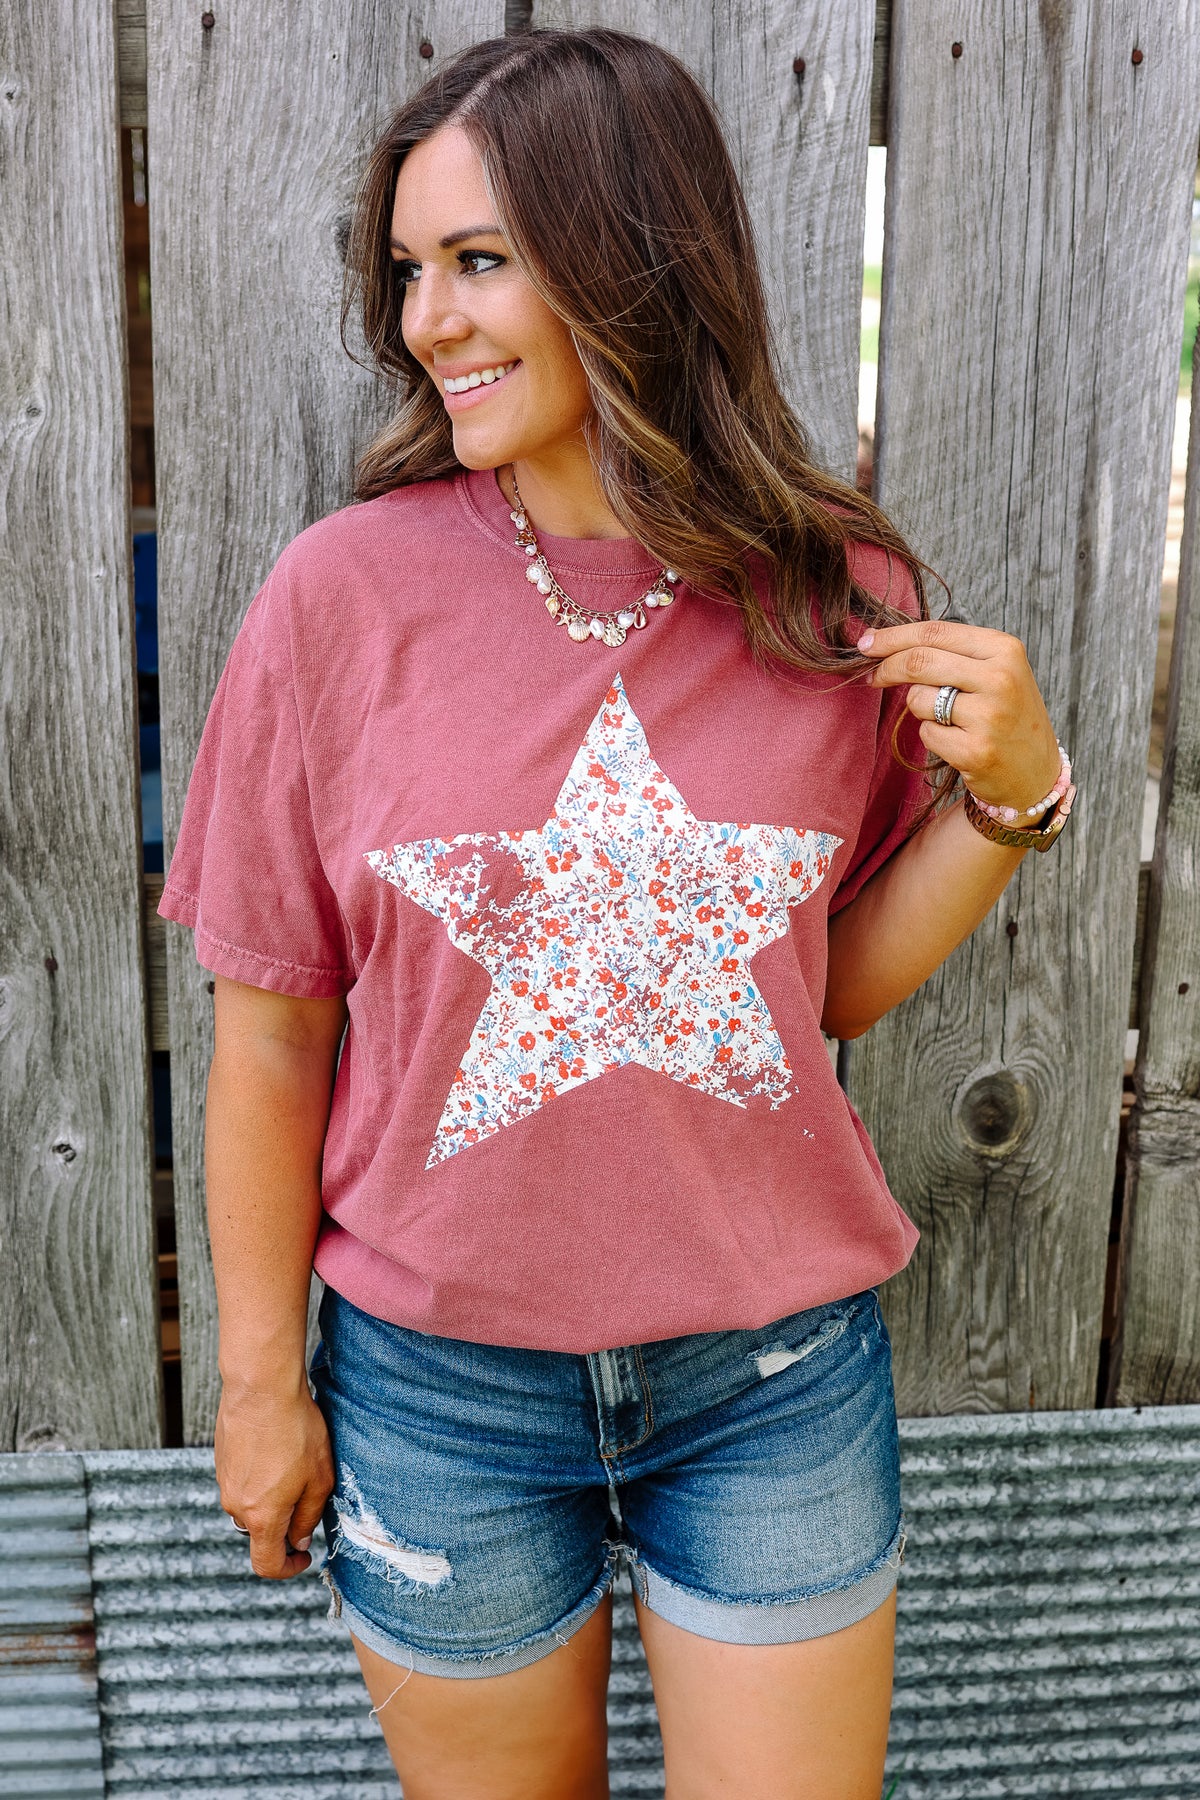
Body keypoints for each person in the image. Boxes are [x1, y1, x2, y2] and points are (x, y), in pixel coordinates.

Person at [158, 27, 1074, 1800]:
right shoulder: (340, 600)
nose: (430, 321)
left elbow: (819, 995)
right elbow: (269, 1035)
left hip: (772, 1380)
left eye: (479, 261)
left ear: (633, 261)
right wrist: (260, 1385)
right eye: (410, 271)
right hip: (439, 1399)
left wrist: (1009, 805)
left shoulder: (834, 592)